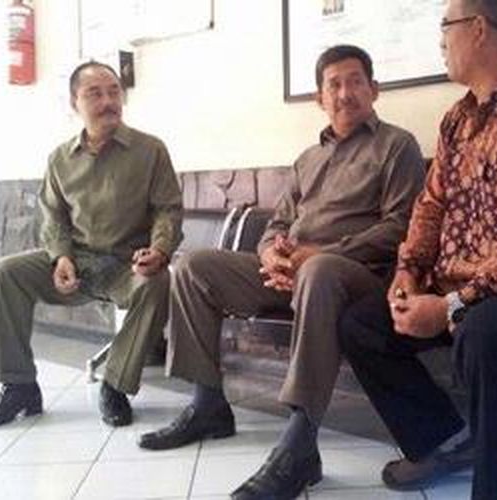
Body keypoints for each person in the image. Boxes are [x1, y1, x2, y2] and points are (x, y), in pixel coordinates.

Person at [137, 45, 425, 500]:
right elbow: (278, 223)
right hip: (295, 271)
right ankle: (208, 404)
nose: (345, 93)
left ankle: (300, 443)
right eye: (334, 84)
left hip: (356, 275)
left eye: (355, 81)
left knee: (320, 271)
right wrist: (271, 253)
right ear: (319, 98)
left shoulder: (397, 146)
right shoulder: (308, 158)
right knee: (194, 266)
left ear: (374, 89)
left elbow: (401, 227)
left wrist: (318, 254)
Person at [337, 1, 497, 499]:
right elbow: (430, 206)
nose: (440, 39)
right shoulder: (457, 119)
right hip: (458, 286)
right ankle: (443, 442)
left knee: (486, 331)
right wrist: (408, 272)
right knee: (362, 325)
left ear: (477, 30)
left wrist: (450, 306)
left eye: (445, 26)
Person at [0, 61, 183, 430]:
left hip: (127, 265)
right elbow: (53, 217)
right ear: (74, 103)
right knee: (5, 273)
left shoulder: (150, 151)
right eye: (94, 94)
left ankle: (115, 385)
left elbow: (168, 209)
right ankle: (18, 386)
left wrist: (160, 250)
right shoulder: (60, 159)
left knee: (157, 282)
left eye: (114, 92)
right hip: (77, 262)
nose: (108, 101)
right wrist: (61, 257)